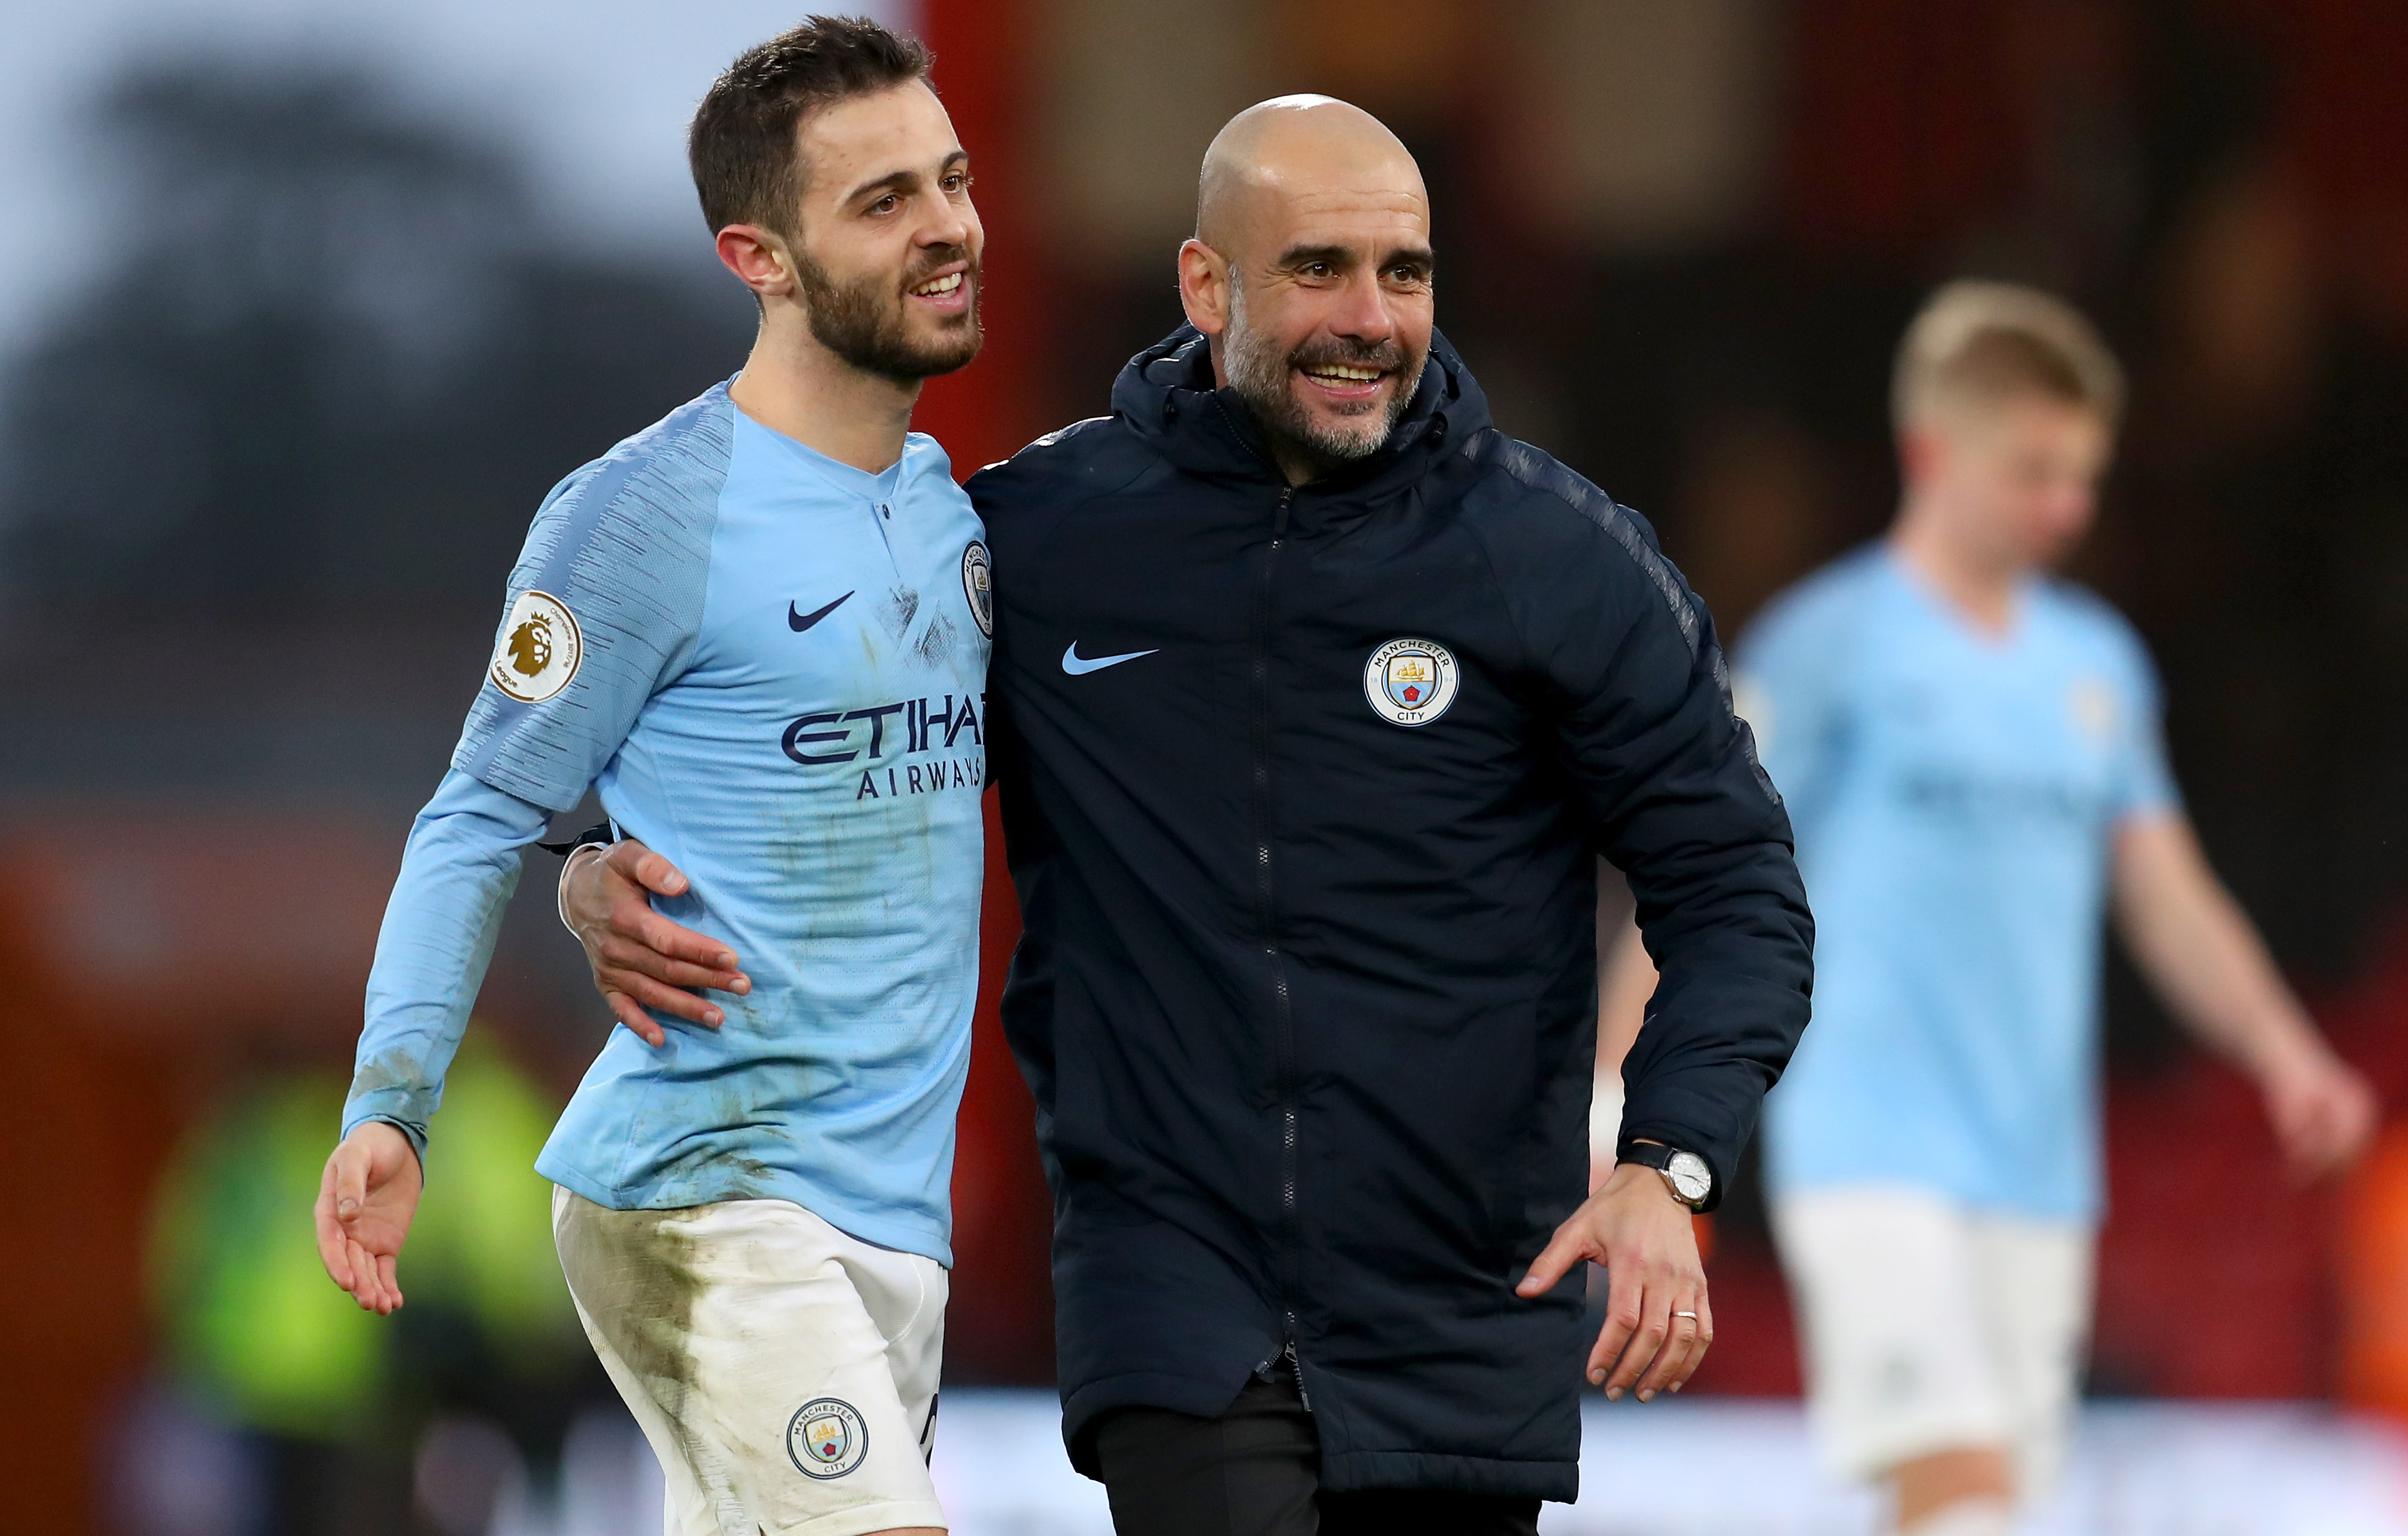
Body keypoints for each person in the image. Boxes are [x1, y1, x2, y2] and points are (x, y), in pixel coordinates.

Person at [567, 95, 1818, 1534]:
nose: (1369, 317)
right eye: (1317, 270)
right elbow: (786, 714)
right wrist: (588, 856)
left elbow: (1735, 890)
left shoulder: (1560, 561)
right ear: (1204, 285)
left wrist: (1669, 1163)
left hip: (1465, 1308)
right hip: (1174, 1294)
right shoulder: (1034, 538)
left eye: (1402, 273)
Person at [312, 14, 996, 1536]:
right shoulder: (638, 517)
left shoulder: (955, 515)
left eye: (948, 180)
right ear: (756, 257)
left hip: (895, 1218)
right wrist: (393, 1104)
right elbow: (480, 807)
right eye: (883, 201)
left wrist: (589, 873)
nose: (947, 227)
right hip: (710, 1189)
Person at [1710, 281, 2377, 1536]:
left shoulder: (2093, 667)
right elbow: (1706, 864)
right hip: (1867, 1138)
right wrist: (1621, 1091)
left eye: (2081, 476)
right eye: (2031, 472)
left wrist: (2284, 1052)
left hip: (2030, 1157)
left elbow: (2164, 892)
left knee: (1972, 1507)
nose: (2064, 508)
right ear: (1931, 453)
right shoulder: (1825, 643)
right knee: (1956, 1483)